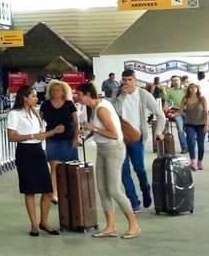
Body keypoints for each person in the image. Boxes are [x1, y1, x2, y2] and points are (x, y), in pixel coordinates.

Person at [75, 82, 141, 238]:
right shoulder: (94, 107)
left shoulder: (101, 109)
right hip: (102, 148)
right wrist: (87, 133)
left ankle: (134, 225)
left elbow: (114, 134)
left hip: (114, 149)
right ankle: (110, 226)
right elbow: (99, 130)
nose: (77, 97)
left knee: (114, 189)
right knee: (102, 188)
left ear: (87, 94)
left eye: (79, 94)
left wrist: (94, 129)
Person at [6, 85, 58, 235]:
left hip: (38, 150)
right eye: (33, 96)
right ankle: (34, 224)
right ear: (25, 97)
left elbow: (39, 134)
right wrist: (32, 136)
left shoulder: (35, 113)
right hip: (25, 151)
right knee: (30, 190)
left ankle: (44, 221)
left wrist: (53, 132)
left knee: (47, 190)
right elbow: (12, 136)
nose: (36, 99)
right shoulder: (15, 114)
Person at [113, 69, 163, 212]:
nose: (126, 83)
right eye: (124, 80)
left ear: (135, 80)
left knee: (139, 168)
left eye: (129, 79)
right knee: (124, 171)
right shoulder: (117, 94)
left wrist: (158, 131)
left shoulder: (143, 95)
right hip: (120, 138)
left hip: (137, 137)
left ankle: (145, 189)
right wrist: (122, 96)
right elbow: (112, 112)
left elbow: (160, 115)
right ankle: (133, 201)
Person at [39, 78, 80, 202]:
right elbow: (39, 121)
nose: (55, 92)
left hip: (68, 138)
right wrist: (42, 134)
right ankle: (55, 193)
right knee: (54, 166)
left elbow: (76, 123)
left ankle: (71, 192)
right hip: (52, 138)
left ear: (63, 92)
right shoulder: (45, 105)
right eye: (53, 90)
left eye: (57, 90)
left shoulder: (69, 104)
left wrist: (76, 137)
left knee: (69, 166)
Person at [179, 82, 207, 170]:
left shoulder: (202, 99)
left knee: (201, 145)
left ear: (197, 89)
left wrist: (207, 125)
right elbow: (180, 111)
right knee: (191, 142)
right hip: (189, 124)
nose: (193, 89)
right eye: (191, 87)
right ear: (188, 89)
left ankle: (200, 161)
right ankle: (193, 162)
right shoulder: (185, 98)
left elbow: (206, 112)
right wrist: (173, 114)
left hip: (201, 124)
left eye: (195, 87)